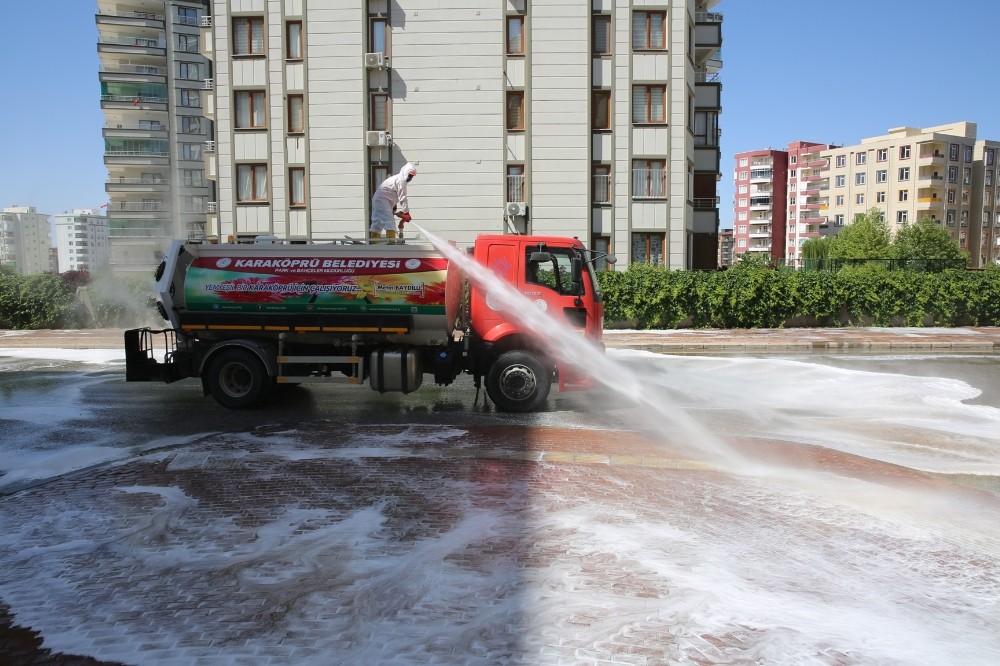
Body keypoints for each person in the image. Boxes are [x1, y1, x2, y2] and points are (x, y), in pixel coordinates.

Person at [370, 162, 416, 242]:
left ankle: (373, 245)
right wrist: (406, 213)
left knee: (377, 224)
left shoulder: (397, 179)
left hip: (380, 200)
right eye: (410, 175)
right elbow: (403, 197)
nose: (410, 178)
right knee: (389, 222)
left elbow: (391, 194)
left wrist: (394, 208)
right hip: (382, 200)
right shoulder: (401, 181)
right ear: (405, 173)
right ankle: (391, 245)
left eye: (412, 176)